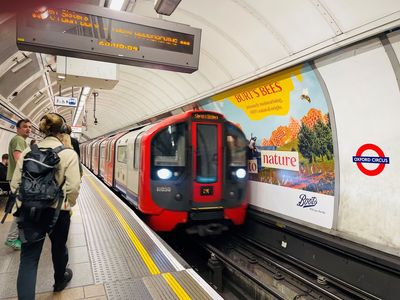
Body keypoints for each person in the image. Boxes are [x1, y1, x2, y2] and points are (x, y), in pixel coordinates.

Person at [11, 113, 81, 299]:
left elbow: (15, 184)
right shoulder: (68, 154)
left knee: (28, 259)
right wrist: (68, 205)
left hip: (30, 211)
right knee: (59, 248)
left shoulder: (28, 152)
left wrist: (23, 204)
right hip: (58, 212)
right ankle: (59, 280)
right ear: (62, 131)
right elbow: (73, 186)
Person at [5, 119, 31, 250]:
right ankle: (11, 238)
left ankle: (19, 237)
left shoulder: (21, 140)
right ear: (18, 128)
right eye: (25, 127)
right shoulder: (18, 140)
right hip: (19, 179)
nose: (28, 129)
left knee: (23, 208)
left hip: (18, 179)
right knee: (20, 209)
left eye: (30, 127)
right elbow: (20, 160)